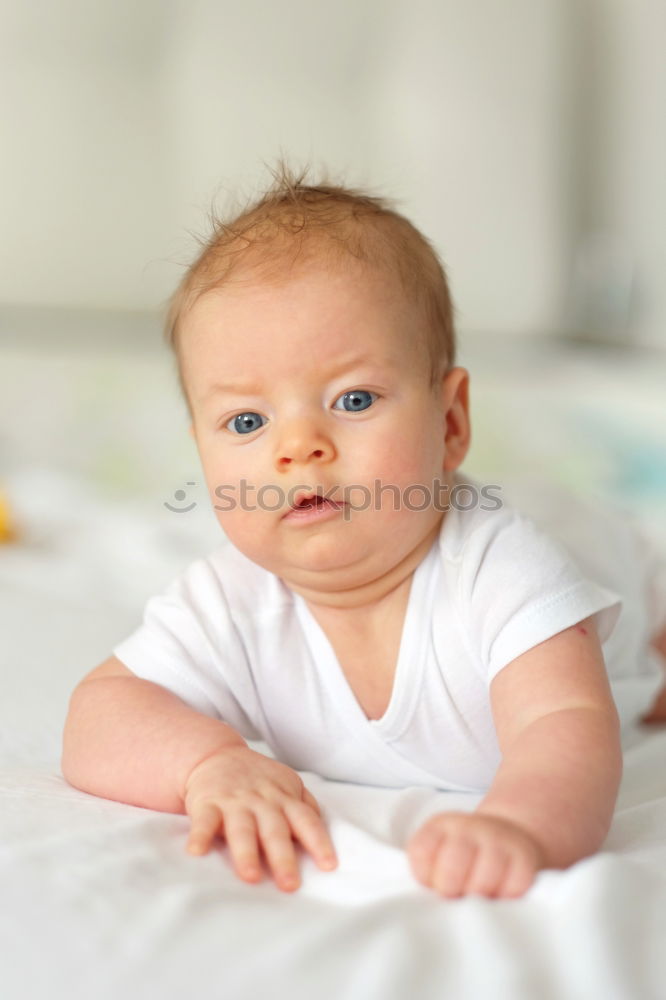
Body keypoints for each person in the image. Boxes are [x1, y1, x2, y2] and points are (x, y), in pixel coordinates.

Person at [61, 164, 666, 901]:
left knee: (634, 614)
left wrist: (521, 825)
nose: (299, 447)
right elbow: (99, 714)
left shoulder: (500, 568)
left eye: (352, 399)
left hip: (613, 559)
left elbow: (564, 727)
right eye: (247, 421)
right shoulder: (232, 599)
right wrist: (205, 763)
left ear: (449, 423)